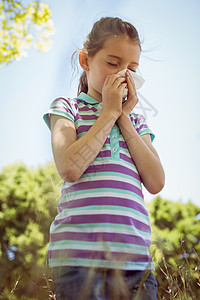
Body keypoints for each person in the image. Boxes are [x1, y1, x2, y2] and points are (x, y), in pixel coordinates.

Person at [43, 16, 165, 300]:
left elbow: (157, 182)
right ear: (86, 61)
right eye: (112, 63)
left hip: (135, 263)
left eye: (132, 69)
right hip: (78, 260)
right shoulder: (67, 108)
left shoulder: (135, 121)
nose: (123, 75)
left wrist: (122, 118)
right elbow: (70, 168)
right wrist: (108, 113)